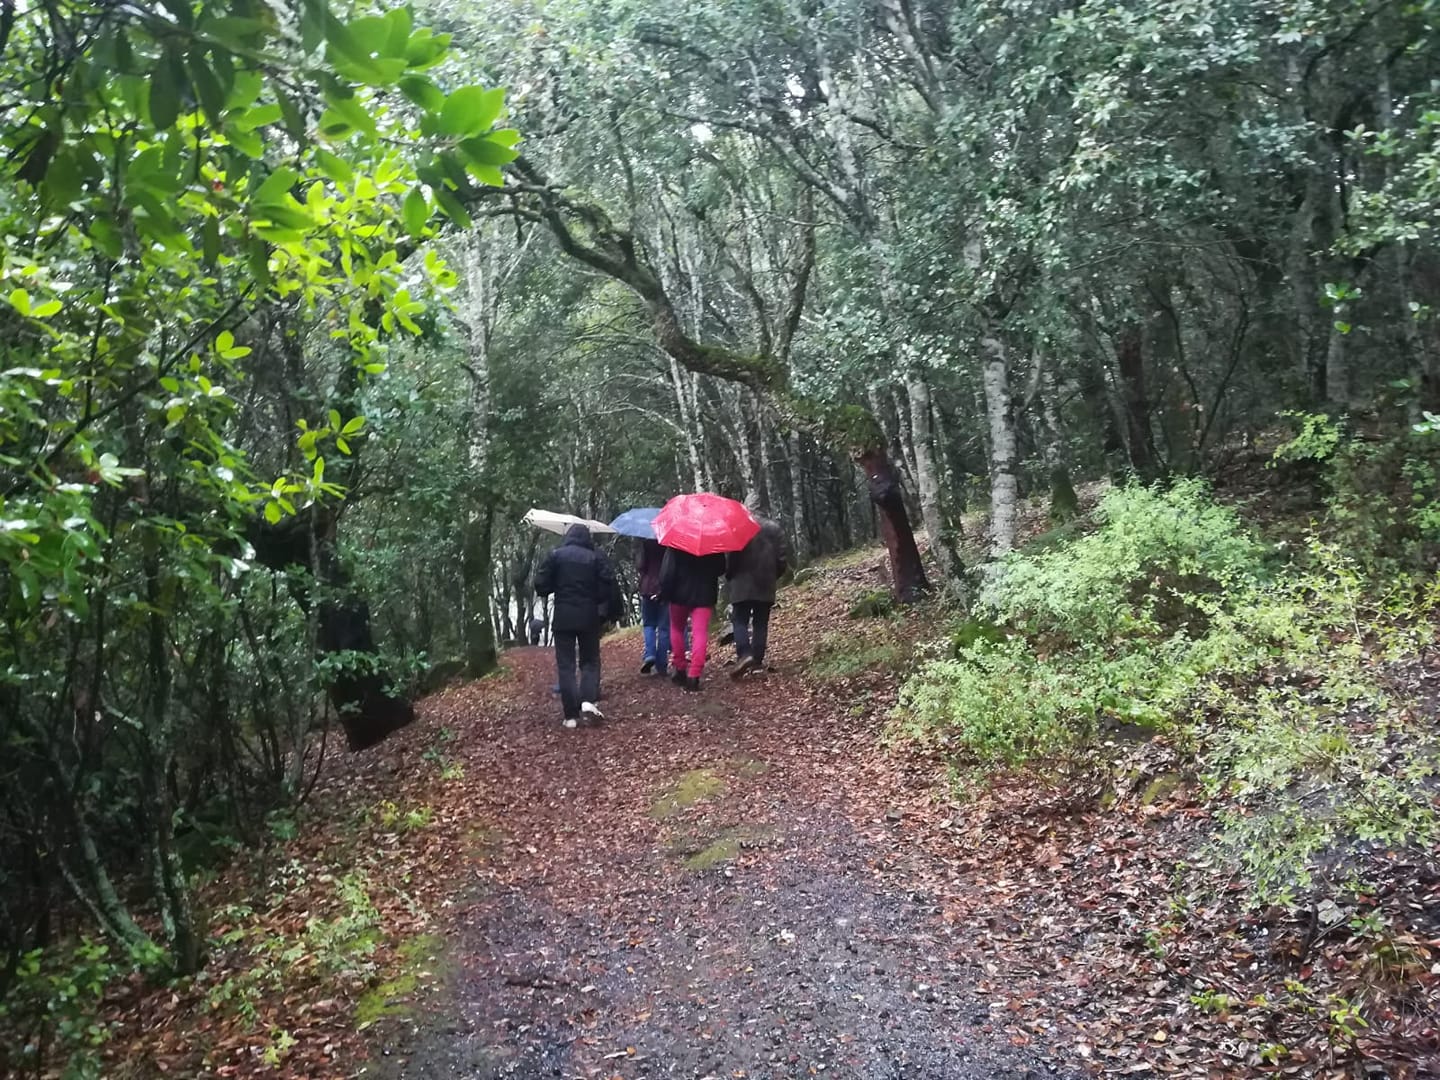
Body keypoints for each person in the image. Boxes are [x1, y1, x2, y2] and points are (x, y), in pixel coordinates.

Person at [534, 524, 616, 728]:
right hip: (588, 616)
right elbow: (607, 585)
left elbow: (541, 584)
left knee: (566, 665)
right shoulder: (595, 558)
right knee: (590, 661)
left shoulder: (556, 556)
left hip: (563, 616)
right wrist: (596, 601)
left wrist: (556, 586)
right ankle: (588, 701)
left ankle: (570, 715)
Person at [726, 508, 788, 678]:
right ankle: (758, 663)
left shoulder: (739, 528)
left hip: (741, 583)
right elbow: (782, 559)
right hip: (765, 583)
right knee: (761, 623)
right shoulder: (775, 529)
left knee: (739, 620)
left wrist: (729, 574)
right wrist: (773, 576)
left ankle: (745, 654)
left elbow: (732, 558)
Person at [659, 546, 726, 692]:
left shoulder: (676, 542)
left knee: (676, 628)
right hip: (704, 594)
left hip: (678, 594)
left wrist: (664, 593)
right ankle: (694, 674)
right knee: (700, 633)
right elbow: (721, 568)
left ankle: (680, 667)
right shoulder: (712, 542)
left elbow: (667, 572)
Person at [636, 538, 670, 675]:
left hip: (647, 587)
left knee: (649, 624)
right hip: (664, 587)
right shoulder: (669, 542)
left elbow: (640, 565)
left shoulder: (645, 541)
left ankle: (650, 653)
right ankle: (662, 664)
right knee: (664, 628)